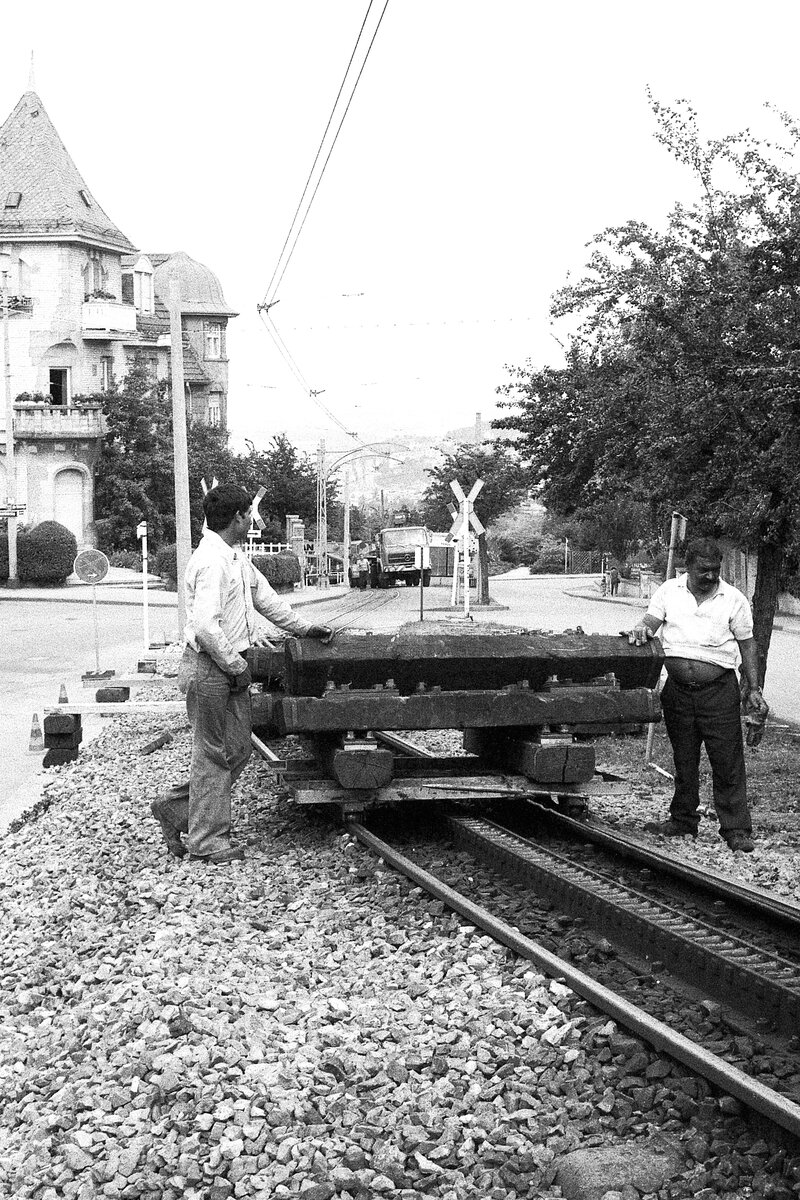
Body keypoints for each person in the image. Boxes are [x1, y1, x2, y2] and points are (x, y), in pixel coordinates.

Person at [151, 484, 332, 864]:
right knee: (212, 754)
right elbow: (204, 626)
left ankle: (176, 811)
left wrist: (305, 628)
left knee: (238, 749)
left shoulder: (235, 558)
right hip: (210, 667)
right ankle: (207, 841)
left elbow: (266, 599)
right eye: (248, 514)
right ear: (236, 518)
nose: (251, 520)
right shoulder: (211, 562)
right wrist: (237, 665)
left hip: (228, 667)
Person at [628, 537, 768, 853]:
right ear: (688, 566)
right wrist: (640, 629)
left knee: (727, 760)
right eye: (703, 570)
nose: (710, 576)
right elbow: (649, 623)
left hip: (718, 692)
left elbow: (748, 644)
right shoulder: (668, 591)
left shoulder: (733, 599)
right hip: (677, 692)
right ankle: (683, 820)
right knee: (684, 758)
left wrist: (754, 690)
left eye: (715, 570)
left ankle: (736, 829)